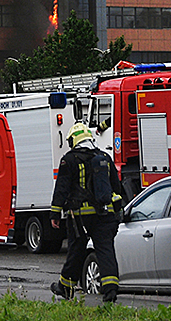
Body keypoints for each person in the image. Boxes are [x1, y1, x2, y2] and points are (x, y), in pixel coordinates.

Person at [49, 123, 124, 303]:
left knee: (76, 250)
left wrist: (55, 214)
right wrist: (118, 213)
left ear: (74, 140)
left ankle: (65, 287)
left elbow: (61, 188)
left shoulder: (70, 159)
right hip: (105, 216)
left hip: (80, 217)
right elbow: (117, 186)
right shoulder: (104, 157)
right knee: (105, 250)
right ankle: (110, 290)